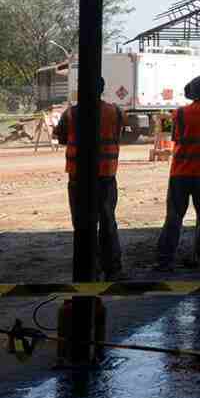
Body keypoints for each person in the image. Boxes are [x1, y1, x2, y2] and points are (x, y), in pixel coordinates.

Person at [53, 77, 124, 280]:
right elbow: (119, 133)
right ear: (102, 90)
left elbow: (61, 136)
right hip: (106, 175)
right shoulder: (116, 112)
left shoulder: (71, 113)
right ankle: (113, 269)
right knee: (108, 222)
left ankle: (88, 269)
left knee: (82, 224)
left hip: (78, 178)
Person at [156, 75, 200, 271]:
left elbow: (175, 137)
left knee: (174, 216)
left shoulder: (179, 114)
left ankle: (165, 260)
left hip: (181, 172)